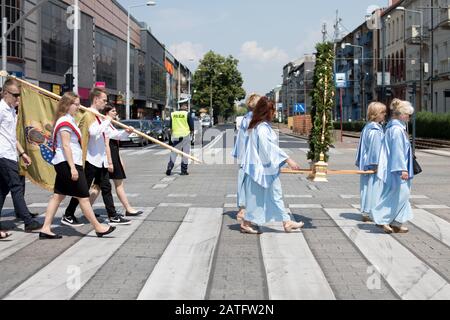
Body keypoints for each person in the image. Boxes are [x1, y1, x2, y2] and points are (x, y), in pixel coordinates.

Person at [39, 92, 116, 239]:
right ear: (67, 105)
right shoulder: (64, 122)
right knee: (83, 197)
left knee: (58, 196)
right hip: (69, 164)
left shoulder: (69, 120)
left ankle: (45, 228)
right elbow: (66, 146)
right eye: (76, 104)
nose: (79, 107)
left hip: (67, 163)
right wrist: (73, 168)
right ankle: (98, 227)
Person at [62, 87, 132, 227]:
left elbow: (110, 134)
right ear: (96, 99)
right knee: (82, 189)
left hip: (100, 160)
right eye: (104, 100)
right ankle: (68, 214)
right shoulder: (89, 114)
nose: (105, 103)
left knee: (106, 188)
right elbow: (93, 132)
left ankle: (112, 215)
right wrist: (107, 119)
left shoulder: (100, 117)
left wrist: (126, 133)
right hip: (90, 160)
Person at [240, 97, 304, 234]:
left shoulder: (258, 126)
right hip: (260, 170)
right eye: (273, 110)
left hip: (263, 169)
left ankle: (286, 222)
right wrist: (288, 159)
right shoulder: (261, 128)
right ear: (266, 111)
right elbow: (269, 148)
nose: (274, 113)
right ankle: (246, 223)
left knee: (274, 194)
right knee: (257, 198)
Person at [0, 78, 42, 233]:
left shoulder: (11, 110)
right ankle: (28, 221)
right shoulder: (1, 109)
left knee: (3, 190)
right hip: (3, 154)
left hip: (11, 154)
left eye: (19, 95)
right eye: (15, 95)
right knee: (16, 187)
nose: (18, 98)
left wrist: (22, 153)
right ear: (5, 93)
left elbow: (12, 137)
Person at [371, 99, 415, 234]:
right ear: (399, 114)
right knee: (399, 194)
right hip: (398, 169)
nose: (409, 116)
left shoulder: (393, 127)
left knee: (401, 195)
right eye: (407, 114)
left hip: (393, 168)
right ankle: (382, 218)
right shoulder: (397, 130)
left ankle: (396, 222)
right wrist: (402, 169)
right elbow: (398, 151)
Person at [90, 105, 143, 217]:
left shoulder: (109, 124)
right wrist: (110, 162)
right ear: (106, 113)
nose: (115, 113)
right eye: (113, 111)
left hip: (113, 157)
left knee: (98, 186)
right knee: (115, 184)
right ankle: (128, 208)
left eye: (115, 111)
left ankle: (87, 209)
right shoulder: (104, 125)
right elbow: (111, 140)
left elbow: (118, 137)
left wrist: (127, 132)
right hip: (109, 158)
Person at [355, 102, 387, 223]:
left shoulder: (368, 127)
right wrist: (377, 165)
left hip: (366, 162)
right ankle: (371, 212)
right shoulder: (375, 130)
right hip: (373, 165)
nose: (385, 115)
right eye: (382, 112)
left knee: (366, 187)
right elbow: (375, 150)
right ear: (376, 114)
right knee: (373, 188)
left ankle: (366, 211)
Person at [232, 93, 261, 222]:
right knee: (247, 181)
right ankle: (244, 210)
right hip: (250, 156)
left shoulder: (246, 118)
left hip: (245, 154)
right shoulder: (253, 120)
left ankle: (243, 209)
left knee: (243, 180)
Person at [166, 103, 194, 176]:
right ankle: (184, 170)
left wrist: (171, 137)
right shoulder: (187, 114)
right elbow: (191, 126)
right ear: (183, 106)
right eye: (186, 106)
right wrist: (191, 133)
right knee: (185, 153)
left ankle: (169, 167)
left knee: (174, 152)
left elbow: (171, 126)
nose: (187, 107)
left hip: (176, 136)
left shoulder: (173, 114)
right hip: (185, 135)